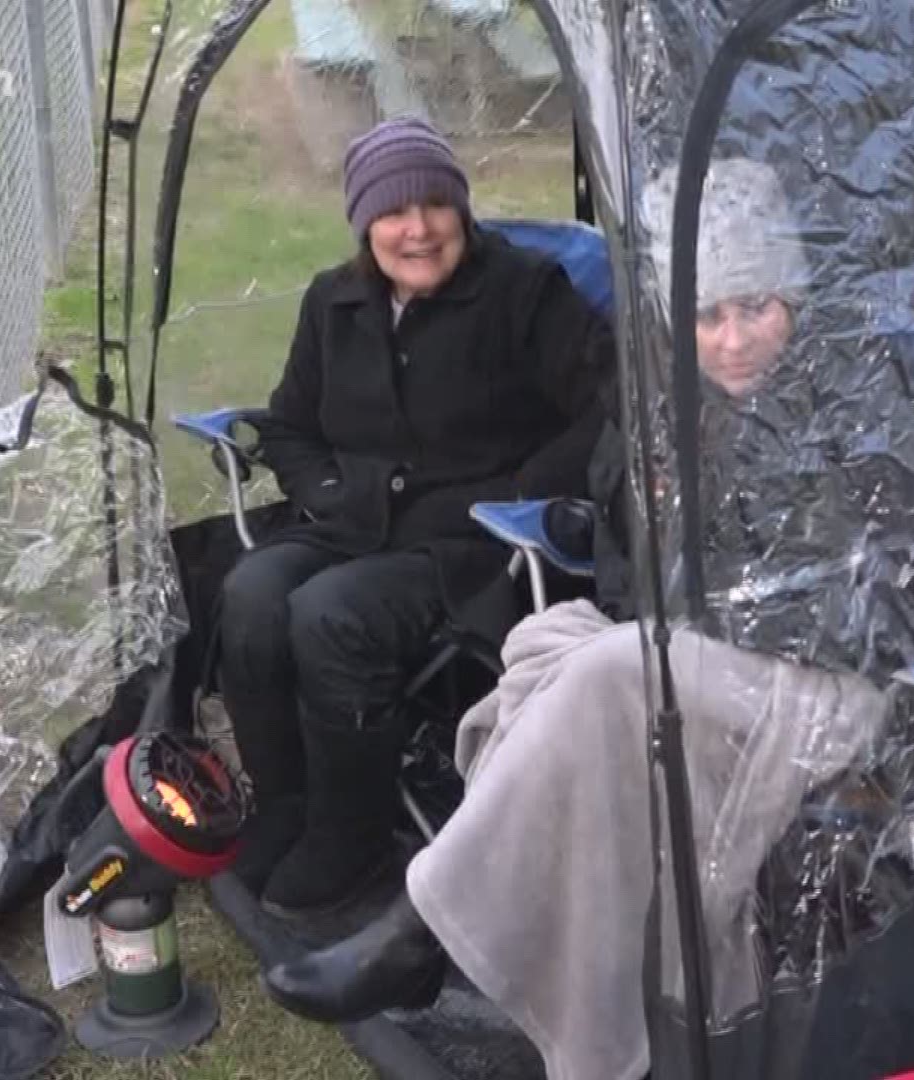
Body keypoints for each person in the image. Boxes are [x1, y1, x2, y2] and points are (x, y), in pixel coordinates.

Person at [261, 157, 900, 1080]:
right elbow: (622, 556)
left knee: (606, 672)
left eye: (755, 306)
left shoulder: (851, 408)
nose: (731, 341)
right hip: (699, 662)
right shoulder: (671, 408)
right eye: (706, 315)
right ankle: (584, 1004)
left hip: (830, 680)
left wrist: (718, 608)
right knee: (546, 645)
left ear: (793, 297)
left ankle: (425, 929)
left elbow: (886, 593)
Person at [216, 116, 616, 917]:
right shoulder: (334, 302)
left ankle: (351, 837)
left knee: (330, 616)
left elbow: (611, 407)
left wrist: (526, 487)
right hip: (348, 523)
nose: (419, 229)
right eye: (395, 212)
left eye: (437, 205)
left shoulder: (525, 291)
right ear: (366, 222)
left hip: (472, 543)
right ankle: (286, 802)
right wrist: (324, 491)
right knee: (251, 593)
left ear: (462, 209)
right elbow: (290, 422)